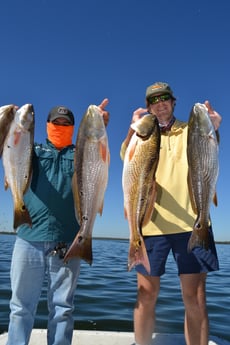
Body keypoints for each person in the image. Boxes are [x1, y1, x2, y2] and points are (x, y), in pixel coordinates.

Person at [120, 82, 222, 345]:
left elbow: (208, 151)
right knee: (145, 294)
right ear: (148, 106)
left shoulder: (191, 130)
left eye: (165, 98)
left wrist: (214, 128)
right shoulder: (143, 134)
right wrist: (132, 129)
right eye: (154, 100)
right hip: (150, 226)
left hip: (193, 224)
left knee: (196, 297)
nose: (160, 103)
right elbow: (126, 157)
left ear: (173, 102)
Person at [6, 99, 109, 345]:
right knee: (20, 307)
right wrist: (9, 125)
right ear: (46, 125)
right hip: (28, 238)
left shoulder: (82, 152)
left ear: (74, 128)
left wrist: (100, 128)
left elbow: (102, 159)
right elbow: (10, 150)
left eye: (66, 124)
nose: (60, 127)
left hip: (69, 241)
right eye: (56, 123)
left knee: (63, 308)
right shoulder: (34, 150)